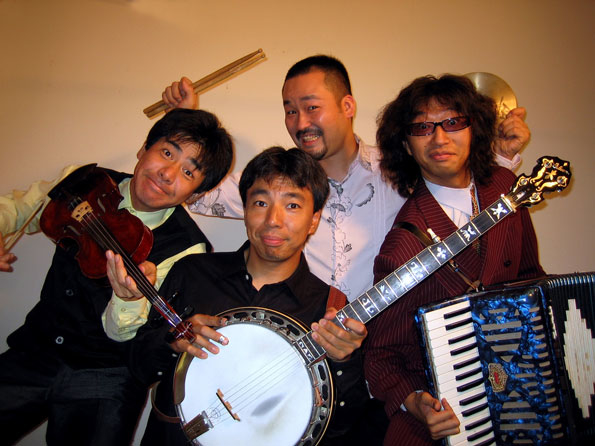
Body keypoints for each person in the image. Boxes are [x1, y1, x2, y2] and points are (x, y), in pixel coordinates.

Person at [160, 55, 532, 444]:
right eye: (290, 110)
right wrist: (186, 126)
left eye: (311, 107)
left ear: (348, 106)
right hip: (300, 375)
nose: (300, 123)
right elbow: (200, 192)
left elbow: (458, 190)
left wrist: (501, 157)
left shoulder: (398, 171)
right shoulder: (283, 185)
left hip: (388, 370)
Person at [0, 108, 233, 446]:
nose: (167, 174)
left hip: (106, 377)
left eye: (188, 172)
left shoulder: (188, 248)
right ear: (143, 149)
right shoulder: (86, 180)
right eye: (167, 153)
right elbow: (22, 208)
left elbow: (126, 336)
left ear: (195, 194)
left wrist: (129, 299)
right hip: (36, 349)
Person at [105, 147, 368, 445]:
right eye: (260, 202)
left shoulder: (330, 308)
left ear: (314, 220)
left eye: (293, 205)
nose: (273, 220)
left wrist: (343, 361)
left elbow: (343, 426)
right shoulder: (193, 273)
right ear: (245, 210)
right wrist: (173, 342)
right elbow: (137, 367)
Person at [363, 74, 546, 445]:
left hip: (519, 396)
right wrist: (415, 402)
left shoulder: (506, 190)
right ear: (406, 144)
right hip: (446, 413)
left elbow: (531, 277)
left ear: (473, 129)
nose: (439, 138)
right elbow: (381, 356)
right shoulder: (403, 246)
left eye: (452, 122)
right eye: (422, 127)